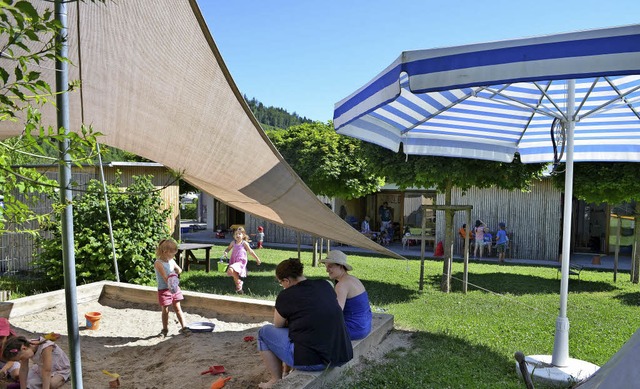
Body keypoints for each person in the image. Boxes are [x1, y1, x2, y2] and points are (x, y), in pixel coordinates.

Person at [257, 258, 353, 388]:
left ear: (287, 280)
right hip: (340, 355)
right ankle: (286, 370)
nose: (282, 286)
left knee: (263, 332)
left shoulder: (286, 295)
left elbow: (278, 325)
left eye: (281, 283)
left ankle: (275, 379)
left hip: (312, 362)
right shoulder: (325, 285)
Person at [321, 250, 372, 341]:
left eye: (330, 266)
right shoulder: (353, 279)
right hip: (365, 326)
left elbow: (336, 313)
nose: (327, 270)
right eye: (326, 266)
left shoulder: (342, 285)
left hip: (354, 330)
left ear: (340, 266)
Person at [154, 238, 191, 337]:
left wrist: (178, 271)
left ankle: (184, 327)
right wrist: (172, 276)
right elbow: (165, 278)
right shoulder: (158, 263)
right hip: (164, 289)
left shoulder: (171, 261)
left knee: (178, 308)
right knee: (165, 310)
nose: (174, 256)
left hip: (174, 288)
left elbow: (179, 269)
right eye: (172, 253)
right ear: (165, 252)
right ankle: (165, 329)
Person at [3, 335, 70, 389]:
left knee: (51, 384)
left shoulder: (46, 347)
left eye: (21, 358)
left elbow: (47, 371)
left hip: (59, 370)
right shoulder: (25, 347)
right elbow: (23, 369)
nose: (21, 360)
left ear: (24, 348)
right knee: (26, 381)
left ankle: (64, 379)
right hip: (40, 368)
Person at [223, 227, 261, 294]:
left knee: (231, 269)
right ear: (234, 236)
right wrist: (226, 252)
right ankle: (239, 289)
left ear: (243, 235)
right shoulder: (233, 242)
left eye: (239, 234)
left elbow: (251, 251)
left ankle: (239, 283)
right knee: (235, 274)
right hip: (234, 260)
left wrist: (257, 259)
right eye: (236, 234)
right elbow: (228, 248)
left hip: (241, 261)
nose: (237, 235)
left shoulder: (244, 243)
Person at [0, 318, 20, 384]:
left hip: (10, 362)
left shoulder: (13, 342)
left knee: (17, 375)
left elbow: (12, 360)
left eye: (1, 337)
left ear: (7, 334)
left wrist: (4, 369)